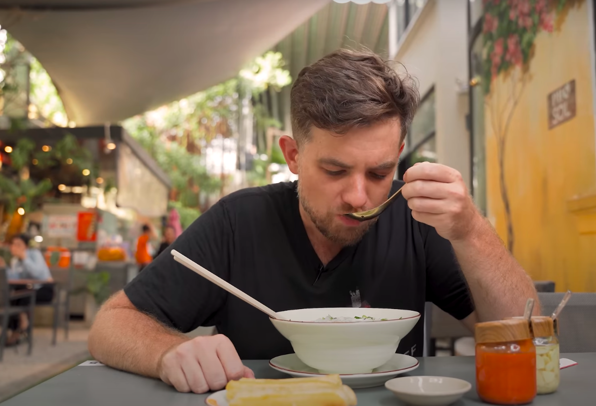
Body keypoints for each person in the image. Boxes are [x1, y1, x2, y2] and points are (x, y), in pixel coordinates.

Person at [88, 49, 539, 394]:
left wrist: (471, 231)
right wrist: (168, 351)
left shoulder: (418, 221)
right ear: (293, 156)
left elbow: (527, 333)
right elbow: (111, 324)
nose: (359, 195)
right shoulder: (238, 221)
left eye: (380, 173)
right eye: (335, 171)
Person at [0, 233, 54, 345]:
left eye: (18, 244)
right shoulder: (15, 261)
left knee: (20, 295)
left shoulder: (34, 254)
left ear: (26, 246)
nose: (15, 247)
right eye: (13, 244)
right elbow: (14, 279)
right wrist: (3, 267)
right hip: (26, 290)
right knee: (15, 294)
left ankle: (17, 331)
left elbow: (39, 274)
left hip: (43, 289)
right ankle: (19, 325)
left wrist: (24, 258)